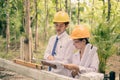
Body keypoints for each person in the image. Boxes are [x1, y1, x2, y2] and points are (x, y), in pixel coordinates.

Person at [44, 11, 75, 76]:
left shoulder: (70, 41)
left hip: (62, 75)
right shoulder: (52, 39)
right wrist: (48, 56)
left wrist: (55, 61)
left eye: (61, 25)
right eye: (56, 25)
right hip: (50, 73)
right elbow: (45, 54)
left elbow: (67, 62)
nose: (58, 28)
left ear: (66, 26)